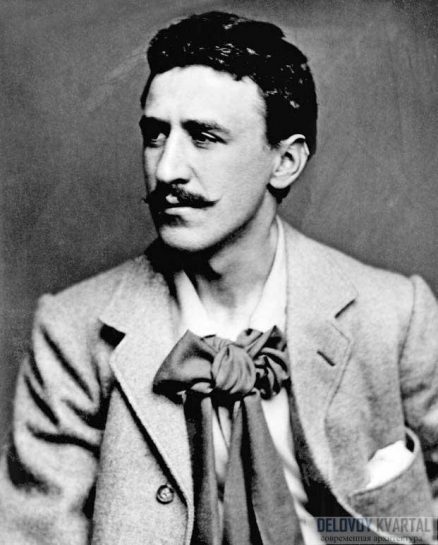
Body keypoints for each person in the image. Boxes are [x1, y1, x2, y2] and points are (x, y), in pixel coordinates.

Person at [0, 10, 437, 545]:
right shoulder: (71, 332)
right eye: (155, 135)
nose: (166, 170)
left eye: (204, 137)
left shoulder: (395, 315)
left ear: (285, 161)